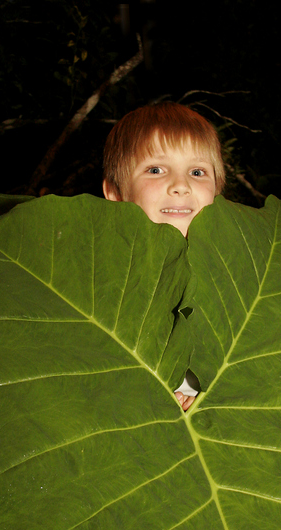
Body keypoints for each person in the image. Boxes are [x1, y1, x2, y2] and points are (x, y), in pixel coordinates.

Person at [102, 101, 226, 410]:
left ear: (218, 194)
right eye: (156, 170)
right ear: (115, 193)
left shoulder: (236, 276)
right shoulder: (103, 277)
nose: (181, 186)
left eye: (197, 172)